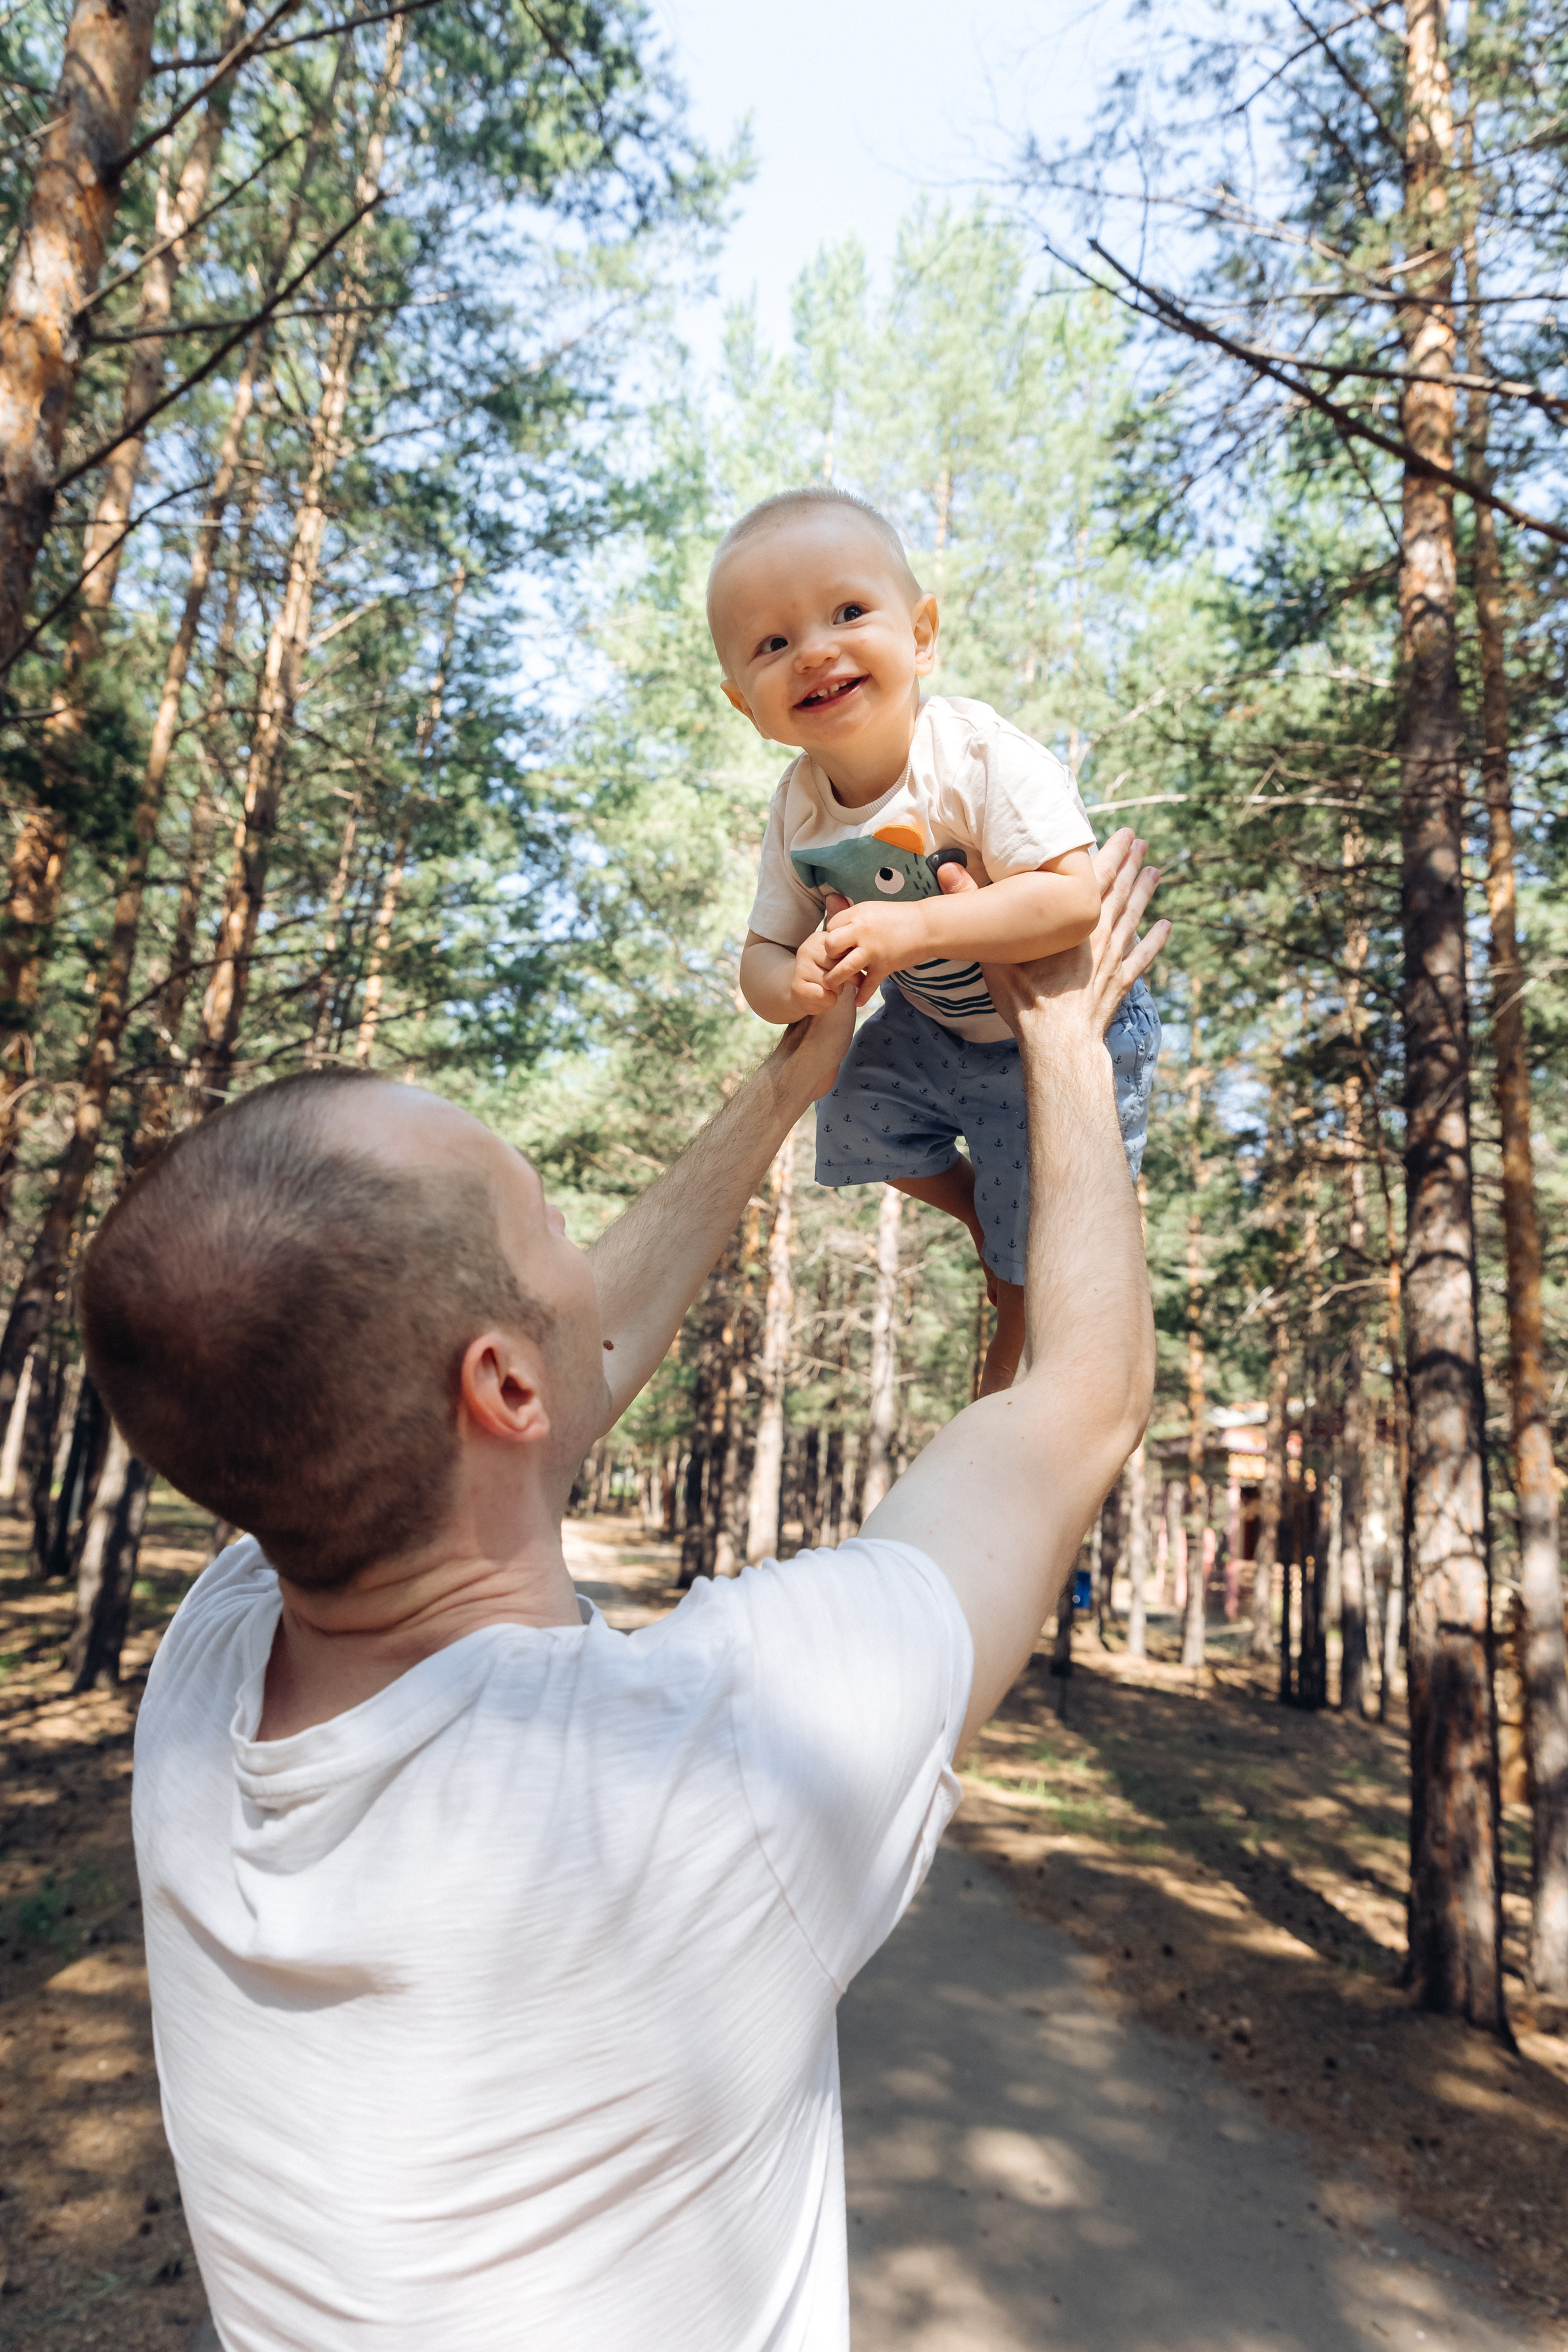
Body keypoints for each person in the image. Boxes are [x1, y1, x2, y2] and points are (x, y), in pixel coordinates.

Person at [82, 832, 1164, 2352]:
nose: (577, 1255)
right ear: (499, 1382)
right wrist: (1061, 1033)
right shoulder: (698, 1770)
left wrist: (792, 1081)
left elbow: (538, 1375)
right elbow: (1080, 1405)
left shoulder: (216, 1653)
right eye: (540, 1220)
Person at [711, 483, 1162, 1393]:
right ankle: (984, 1215)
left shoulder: (975, 757)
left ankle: (1011, 1338)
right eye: (773, 642)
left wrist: (915, 926)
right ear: (745, 704)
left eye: (846, 611)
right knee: (849, 1116)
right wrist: (792, 981)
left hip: (1064, 1032)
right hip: (936, 1025)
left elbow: (1072, 901)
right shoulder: (798, 808)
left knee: (1030, 1256)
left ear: (921, 635)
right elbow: (758, 964)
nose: (815, 650)